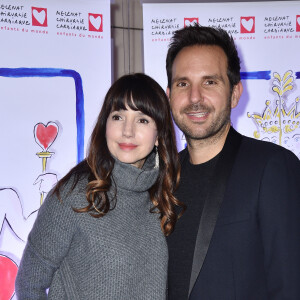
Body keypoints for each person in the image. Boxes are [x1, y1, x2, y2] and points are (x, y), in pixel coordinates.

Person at [15, 73, 183, 299]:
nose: (127, 131)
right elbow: (29, 284)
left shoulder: (163, 197)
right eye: (118, 117)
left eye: (142, 120)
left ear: (159, 136)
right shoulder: (75, 195)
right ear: (105, 125)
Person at [166, 24, 300, 299]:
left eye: (210, 82)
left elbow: (289, 285)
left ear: (235, 93)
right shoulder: (161, 178)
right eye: (183, 84)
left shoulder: (272, 167)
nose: (194, 98)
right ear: (169, 95)